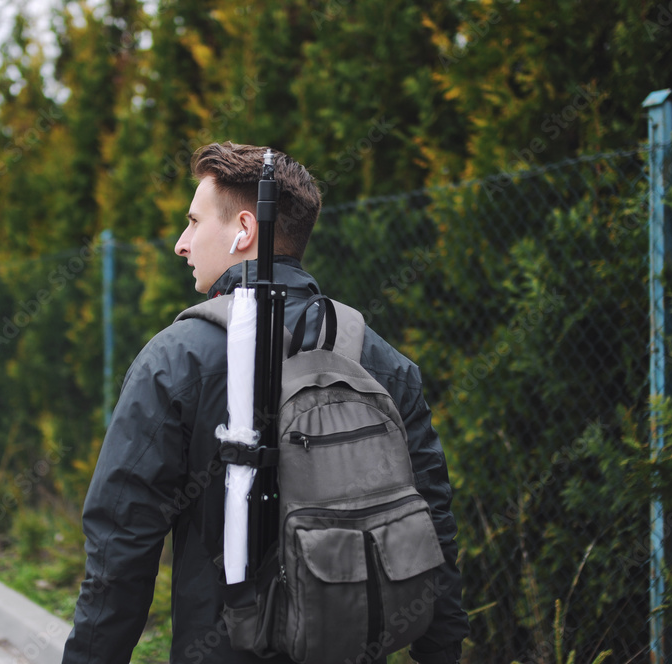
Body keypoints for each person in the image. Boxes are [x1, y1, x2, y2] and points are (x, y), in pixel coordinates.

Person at [61, 142, 469, 664]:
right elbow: (433, 525)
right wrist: (441, 654)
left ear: (245, 230)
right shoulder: (382, 360)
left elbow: (121, 550)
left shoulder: (176, 359)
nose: (182, 244)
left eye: (193, 221)